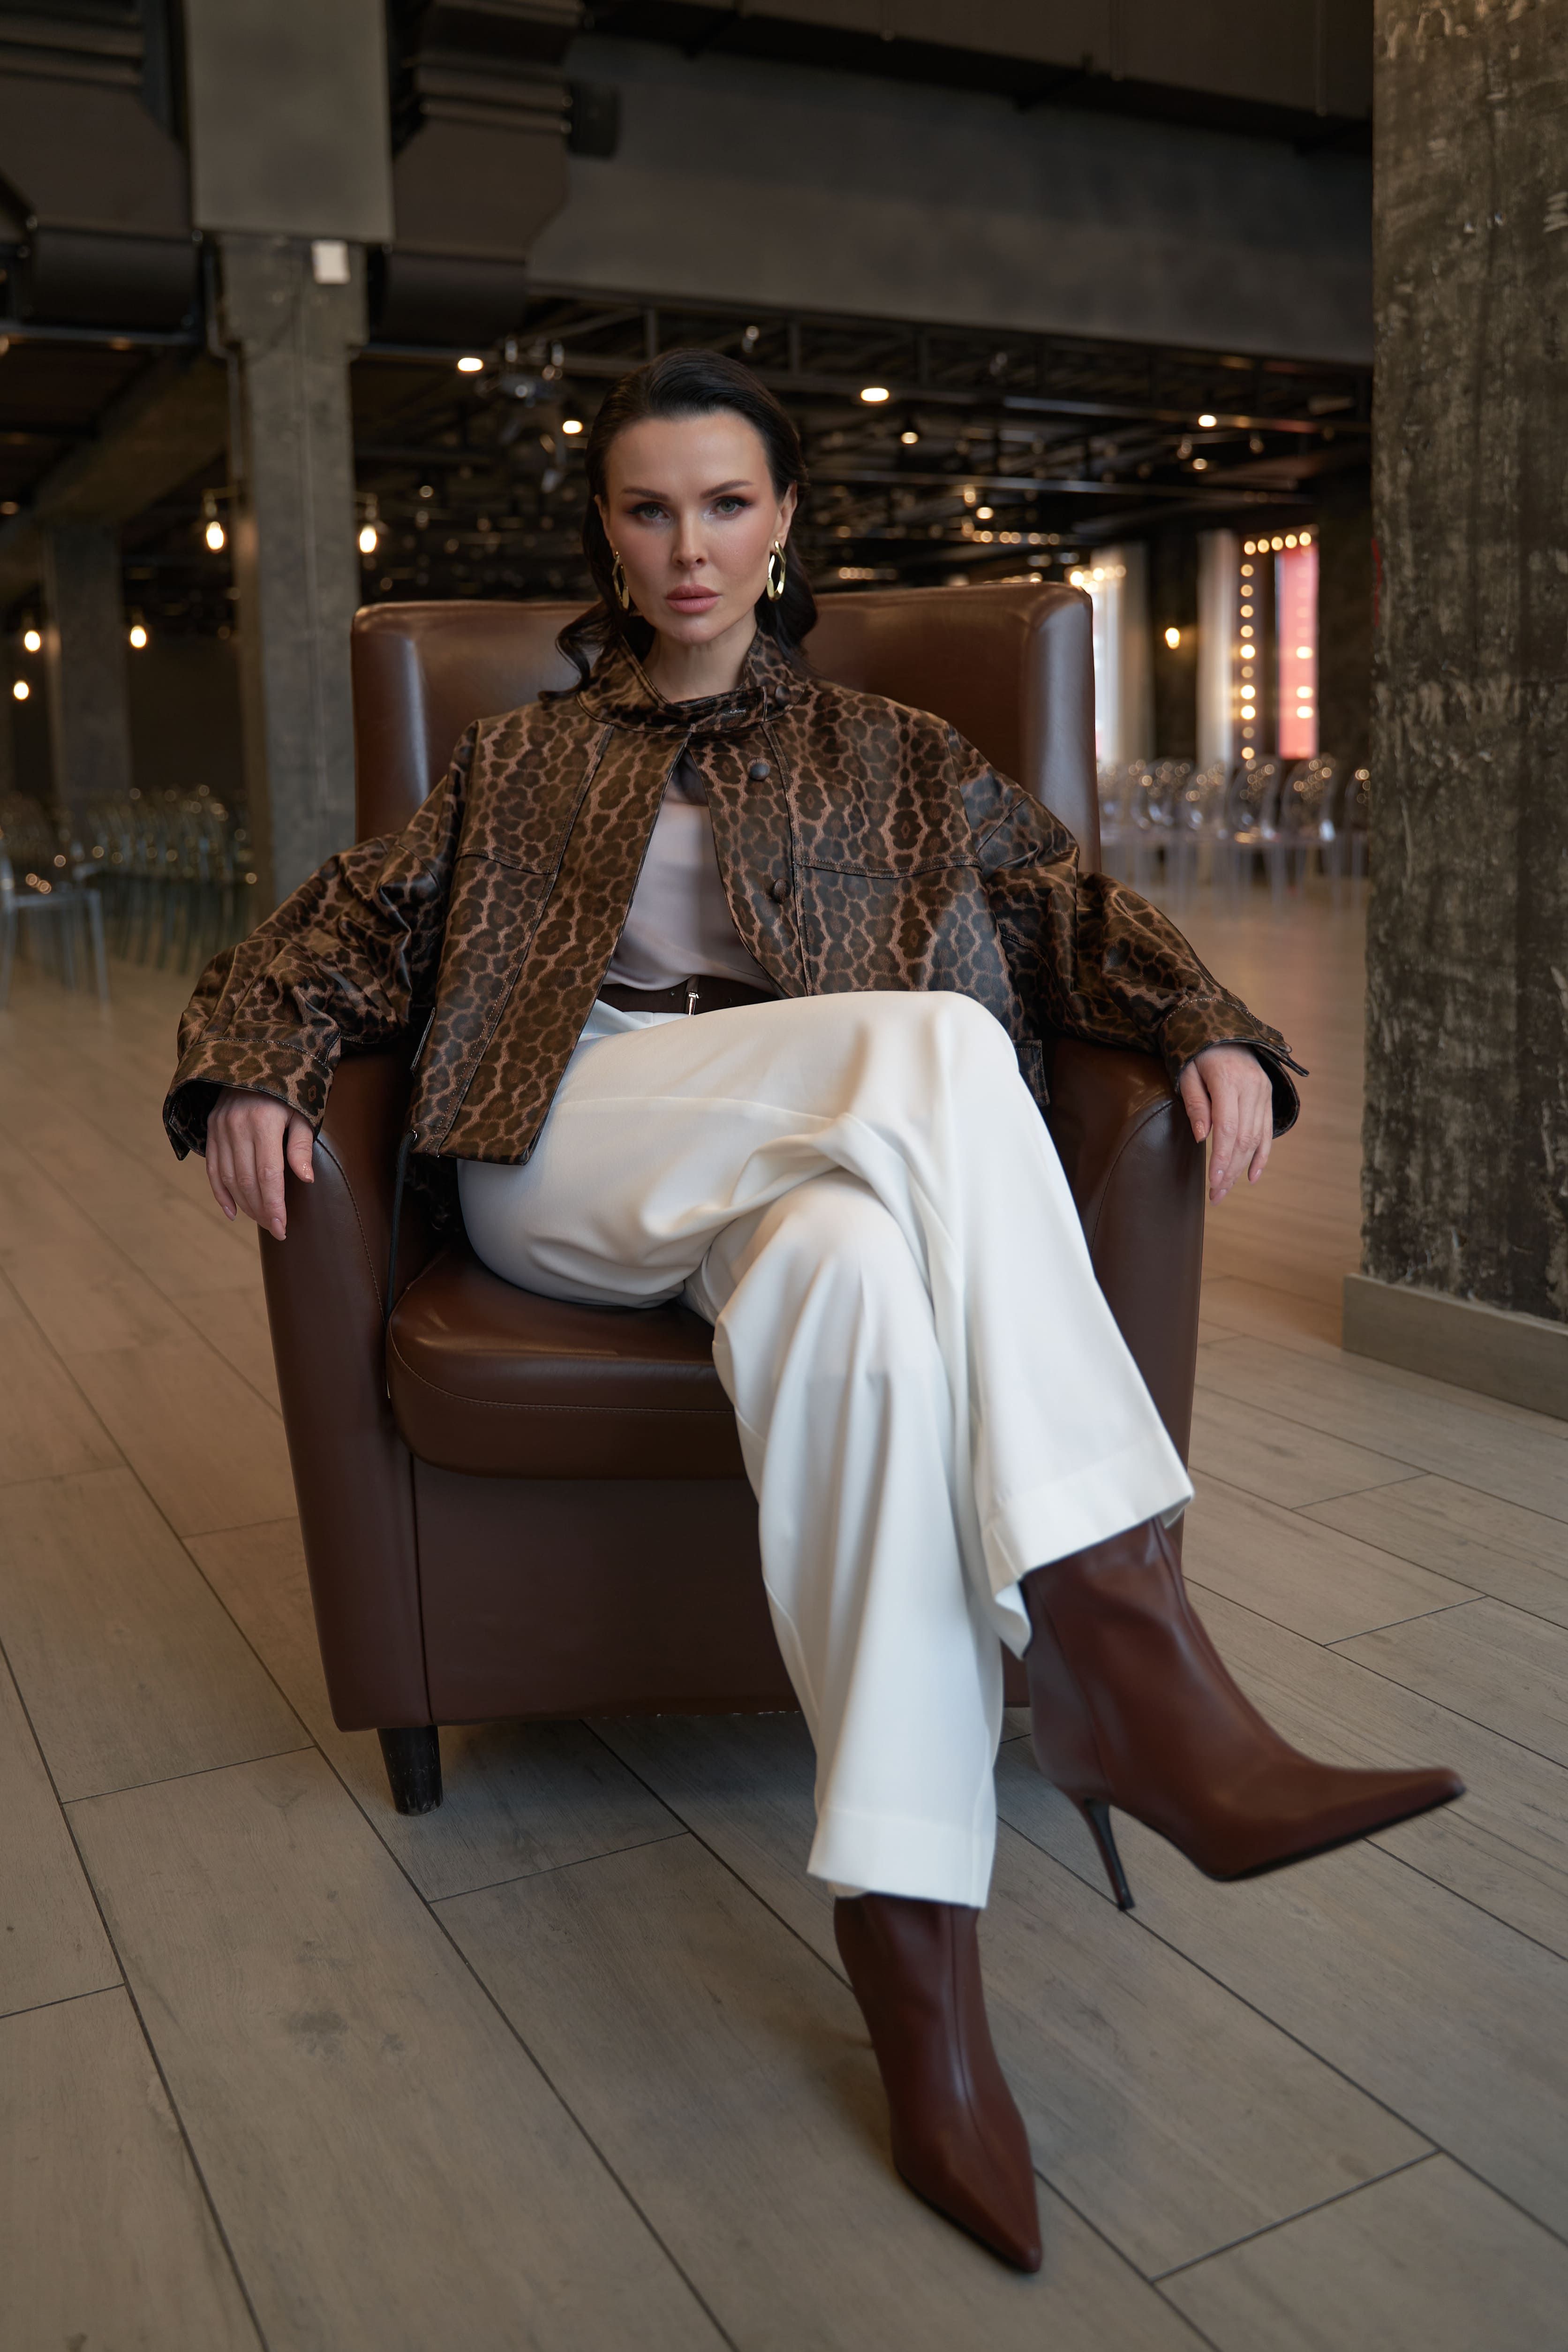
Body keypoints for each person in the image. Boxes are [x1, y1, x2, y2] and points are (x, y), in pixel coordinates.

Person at [166, 351, 1460, 2274]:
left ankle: (916, 1961)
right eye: (647, 508)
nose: (686, 545)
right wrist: (254, 1067)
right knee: (932, 1047)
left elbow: (1071, 909)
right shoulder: (521, 759)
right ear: (608, 535)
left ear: (782, 525)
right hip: (574, 1145)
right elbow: (343, 927)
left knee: (852, 1278)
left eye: (723, 504)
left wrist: (1207, 1026)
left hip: (813, 1160)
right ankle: (1128, 1653)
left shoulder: (894, 749)